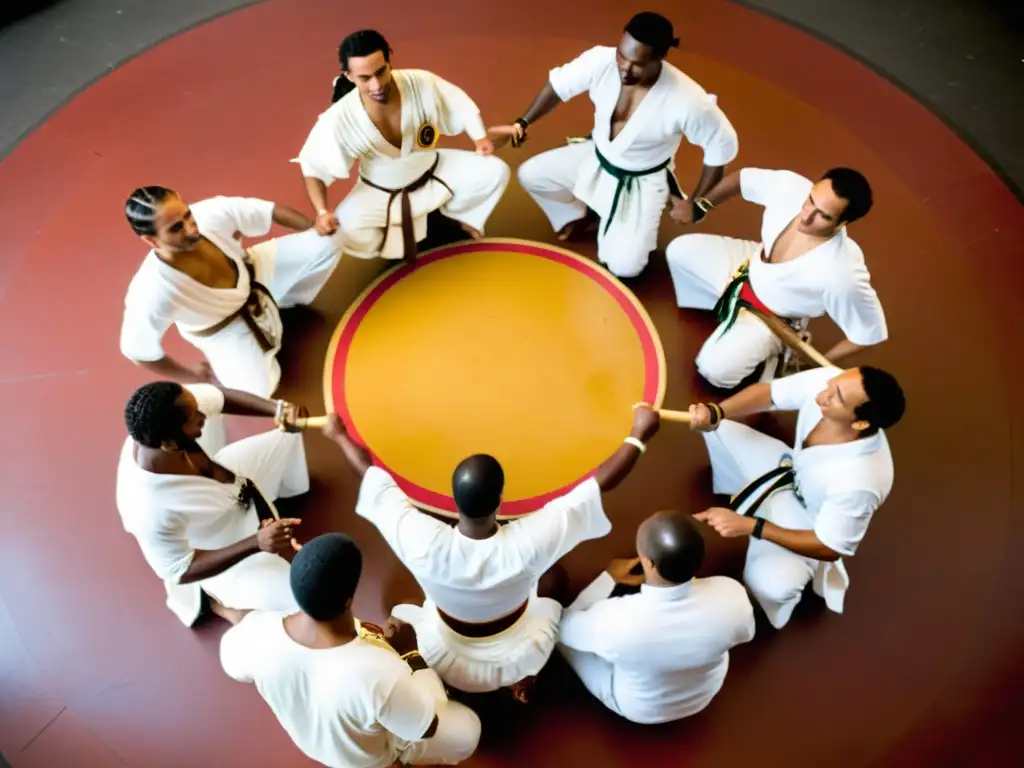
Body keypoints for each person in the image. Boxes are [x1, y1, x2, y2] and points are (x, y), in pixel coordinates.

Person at [324, 405, 661, 700]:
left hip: (446, 650)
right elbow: (598, 484)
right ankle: (524, 678)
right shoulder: (531, 541)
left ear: (454, 501)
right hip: (519, 650)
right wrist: (638, 433)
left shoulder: (420, 540)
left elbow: (370, 476)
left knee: (405, 606)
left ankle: (452, 685)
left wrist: (339, 435)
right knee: (556, 580)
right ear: (501, 501)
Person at [492, 12, 738, 278]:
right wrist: (521, 124)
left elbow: (720, 146)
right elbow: (557, 86)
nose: (624, 68)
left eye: (637, 63)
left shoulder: (688, 100)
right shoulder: (602, 60)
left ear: (660, 58)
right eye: (622, 55)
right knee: (532, 175)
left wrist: (697, 205)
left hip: (641, 179)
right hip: (598, 155)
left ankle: (619, 218)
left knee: (625, 268)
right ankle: (581, 214)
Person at [220, 533, 481, 768]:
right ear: (348, 599)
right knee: (468, 729)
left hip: (320, 745)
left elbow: (230, 660)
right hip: (372, 758)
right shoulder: (379, 672)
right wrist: (410, 654)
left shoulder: (256, 632)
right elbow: (425, 728)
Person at [687, 365, 905, 628]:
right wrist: (716, 412)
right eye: (831, 385)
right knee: (716, 427)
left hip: (804, 521)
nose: (821, 396)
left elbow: (830, 547)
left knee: (774, 586)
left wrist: (753, 526)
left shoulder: (861, 481)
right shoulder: (830, 384)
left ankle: (779, 576)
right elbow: (770, 392)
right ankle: (742, 488)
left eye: (835, 397)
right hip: (788, 469)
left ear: (860, 423)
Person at [295, 29, 510, 263]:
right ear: (348, 75)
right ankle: (392, 242)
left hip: (433, 171)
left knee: (494, 172)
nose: (376, 85)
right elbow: (313, 167)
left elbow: (458, 103)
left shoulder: (420, 82)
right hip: (382, 190)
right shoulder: (340, 116)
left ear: (389, 60)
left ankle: (456, 218)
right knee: (340, 231)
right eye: (364, 78)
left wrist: (479, 137)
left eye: (381, 72)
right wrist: (322, 212)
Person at [666, 167, 887, 389]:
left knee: (712, 369)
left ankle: (776, 350)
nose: (807, 215)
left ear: (842, 224)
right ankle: (733, 313)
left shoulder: (843, 273)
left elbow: (869, 334)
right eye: (811, 200)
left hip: (774, 317)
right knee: (679, 251)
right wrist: (700, 207)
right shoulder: (791, 187)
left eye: (823, 215)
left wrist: (814, 363)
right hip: (748, 269)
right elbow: (742, 180)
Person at [116, 381, 313, 627]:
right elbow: (180, 570)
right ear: (169, 444)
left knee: (287, 435)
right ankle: (222, 604)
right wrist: (255, 543)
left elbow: (218, 397)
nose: (202, 414)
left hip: (234, 480)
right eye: (193, 418)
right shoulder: (148, 509)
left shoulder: (175, 409)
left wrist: (279, 410)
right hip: (221, 544)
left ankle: (286, 488)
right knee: (304, 601)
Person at [119, 186, 342, 397]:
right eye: (176, 228)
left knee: (327, 243)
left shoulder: (208, 213)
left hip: (254, 275)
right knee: (259, 391)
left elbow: (270, 210)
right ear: (151, 240)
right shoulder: (151, 291)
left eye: (188, 215)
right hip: (225, 329)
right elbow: (137, 351)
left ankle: (283, 300)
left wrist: (313, 228)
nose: (191, 229)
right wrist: (191, 376)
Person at [557, 511, 754, 724]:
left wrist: (608, 578)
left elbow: (563, 627)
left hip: (643, 710)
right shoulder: (733, 595)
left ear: (649, 563)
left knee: (560, 632)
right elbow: (746, 635)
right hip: (703, 695)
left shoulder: (616, 621)